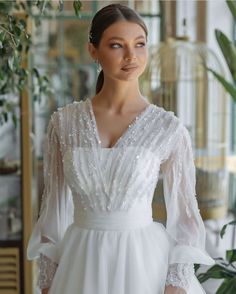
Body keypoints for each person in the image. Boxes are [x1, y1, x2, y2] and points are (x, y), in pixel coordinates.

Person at [27, 3, 214, 294]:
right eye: (117, 45)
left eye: (139, 45)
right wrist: (49, 281)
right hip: (80, 266)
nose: (131, 56)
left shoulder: (168, 128)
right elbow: (53, 211)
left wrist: (175, 284)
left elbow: (187, 220)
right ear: (94, 51)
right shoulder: (63, 123)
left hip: (146, 267)